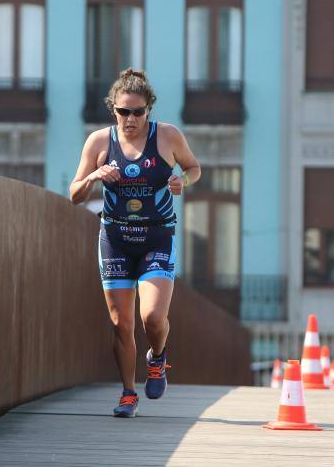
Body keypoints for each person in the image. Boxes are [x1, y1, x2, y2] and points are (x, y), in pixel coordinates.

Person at [70, 68, 201, 417]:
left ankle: (157, 358)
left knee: (153, 317)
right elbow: (74, 194)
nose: (130, 119)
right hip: (115, 239)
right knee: (121, 323)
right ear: (113, 109)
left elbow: (193, 167)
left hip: (157, 236)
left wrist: (183, 181)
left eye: (137, 112)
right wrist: (94, 176)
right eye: (123, 111)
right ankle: (128, 393)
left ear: (149, 111)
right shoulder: (99, 142)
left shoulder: (168, 137)